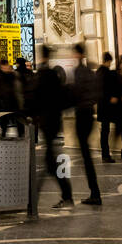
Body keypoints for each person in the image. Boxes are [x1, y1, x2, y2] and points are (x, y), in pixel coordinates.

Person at [35, 45, 73, 207]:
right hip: (54, 121)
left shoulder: (43, 75)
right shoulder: (53, 74)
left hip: (47, 122)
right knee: (49, 161)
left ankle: (64, 196)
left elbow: (38, 99)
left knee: (50, 162)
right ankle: (65, 195)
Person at [71, 42, 102, 205]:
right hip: (89, 113)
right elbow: (96, 93)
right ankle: (94, 191)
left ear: (77, 55)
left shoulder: (79, 72)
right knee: (85, 154)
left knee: (85, 155)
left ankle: (95, 193)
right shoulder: (90, 72)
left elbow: (75, 93)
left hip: (82, 114)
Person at [98, 52, 121, 163]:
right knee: (105, 131)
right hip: (107, 107)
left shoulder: (98, 72)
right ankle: (106, 155)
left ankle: (105, 153)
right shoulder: (106, 73)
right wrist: (111, 97)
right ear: (108, 61)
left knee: (104, 130)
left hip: (101, 107)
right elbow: (107, 89)